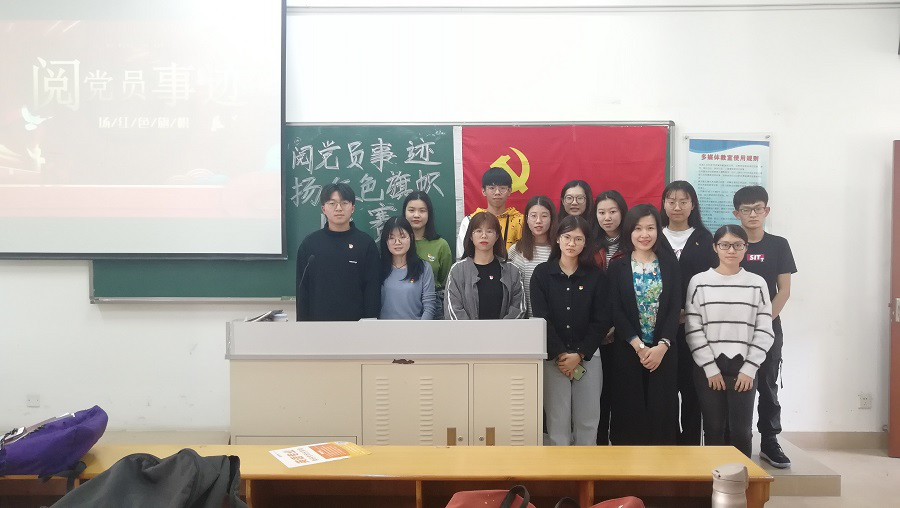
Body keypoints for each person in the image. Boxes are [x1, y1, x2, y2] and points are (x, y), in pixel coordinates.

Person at [685, 225, 775, 458]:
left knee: (741, 432)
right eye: (725, 245)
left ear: (746, 248)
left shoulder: (757, 283)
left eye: (737, 245)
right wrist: (709, 367)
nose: (731, 250)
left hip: (743, 368)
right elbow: (693, 328)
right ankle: (714, 479)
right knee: (713, 429)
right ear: (715, 248)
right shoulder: (699, 282)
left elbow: (765, 330)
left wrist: (750, 369)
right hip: (709, 368)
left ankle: (741, 480)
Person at [530, 215, 609, 446]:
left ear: (586, 243)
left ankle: (586, 468)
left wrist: (580, 354)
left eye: (578, 239)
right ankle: (560, 469)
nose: (571, 243)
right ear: (557, 239)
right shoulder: (542, 274)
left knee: (588, 420)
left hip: (588, 357)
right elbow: (541, 318)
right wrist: (561, 354)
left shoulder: (596, 277)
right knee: (557, 421)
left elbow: (601, 320)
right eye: (567, 237)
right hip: (554, 359)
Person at [733, 185, 797, 468]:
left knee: (768, 385)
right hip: (732, 329)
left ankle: (769, 440)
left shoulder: (778, 245)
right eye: (746, 209)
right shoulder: (729, 243)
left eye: (757, 208)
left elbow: (784, 290)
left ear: (766, 211)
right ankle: (737, 439)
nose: (752, 214)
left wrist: (762, 323)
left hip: (768, 327)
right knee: (737, 383)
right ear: (736, 213)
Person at [607, 204, 681, 445]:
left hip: (663, 351)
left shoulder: (669, 263)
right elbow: (615, 310)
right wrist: (638, 346)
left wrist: (662, 345)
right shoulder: (617, 265)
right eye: (638, 228)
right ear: (629, 231)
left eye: (650, 228)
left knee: (662, 413)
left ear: (658, 230)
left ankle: (662, 466)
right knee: (630, 412)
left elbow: (675, 307)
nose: (644, 234)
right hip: (629, 350)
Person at [659, 180, 717, 446]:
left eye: (683, 201)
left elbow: (712, 282)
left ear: (693, 205)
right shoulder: (655, 236)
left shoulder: (706, 239)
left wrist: (690, 312)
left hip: (696, 327)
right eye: (671, 201)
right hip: (661, 328)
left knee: (693, 390)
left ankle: (691, 446)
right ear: (664, 204)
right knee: (666, 390)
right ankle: (669, 445)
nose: (677, 207)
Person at [296, 183, 380, 321]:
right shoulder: (310, 245)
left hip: (356, 326)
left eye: (344, 203)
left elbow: (372, 290)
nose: (339, 208)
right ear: (323, 209)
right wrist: (302, 325)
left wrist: (369, 324)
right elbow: (303, 291)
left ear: (352, 208)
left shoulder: (366, 244)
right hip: (318, 326)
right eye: (332, 203)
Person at [590, 189, 628, 445]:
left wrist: (618, 325)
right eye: (602, 212)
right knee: (597, 394)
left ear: (622, 213)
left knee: (622, 392)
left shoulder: (634, 244)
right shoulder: (589, 245)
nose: (607, 217)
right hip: (595, 330)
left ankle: (622, 446)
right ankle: (600, 443)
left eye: (613, 211)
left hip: (626, 332)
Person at [445, 212, 525, 320]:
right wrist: (473, 330)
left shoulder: (512, 270)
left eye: (489, 231)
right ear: (471, 236)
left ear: (497, 236)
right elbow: (453, 310)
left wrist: (501, 329)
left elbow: (519, 309)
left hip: (505, 330)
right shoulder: (457, 271)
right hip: (466, 331)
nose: (484, 235)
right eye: (478, 231)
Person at [403, 191, 452, 318]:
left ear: (429, 214)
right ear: (404, 212)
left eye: (422, 211)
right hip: (403, 302)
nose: (416, 215)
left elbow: (445, 280)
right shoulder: (397, 244)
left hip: (434, 304)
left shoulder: (441, 245)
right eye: (411, 210)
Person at [379, 216, 438, 320]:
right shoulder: (378, 268)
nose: (397, 242)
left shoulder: (424, 268)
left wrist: (421, 328)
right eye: (391, 238)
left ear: (411, 237)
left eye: (402, 237)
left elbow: (429, 306)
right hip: (383, 328)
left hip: (415, 328)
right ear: (386, 241)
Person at [455, 167, 524, 255]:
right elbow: (462, 254)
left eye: (502, 188)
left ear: (509, 191)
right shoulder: (470, 221)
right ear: (483, 191)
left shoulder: (521, 221)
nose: (497, 192)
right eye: (492, 188)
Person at [508, 196, 556, 317]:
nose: (538, 221)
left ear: (551, 218)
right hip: (524, 319)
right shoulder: (516, 250)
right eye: (533, 216)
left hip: (554, 319)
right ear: (526, 219)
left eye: (544, 216)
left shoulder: (560, 250)